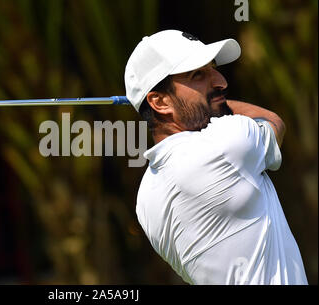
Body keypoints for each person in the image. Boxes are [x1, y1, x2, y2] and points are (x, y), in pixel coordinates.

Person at [124, 29, 307, 284]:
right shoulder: (226, 143)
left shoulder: (146, 197)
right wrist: (222, 103)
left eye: (213, 69)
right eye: (198, 74)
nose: (221, 81)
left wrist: (202, 100)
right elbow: (273, 121)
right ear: (160, 102)